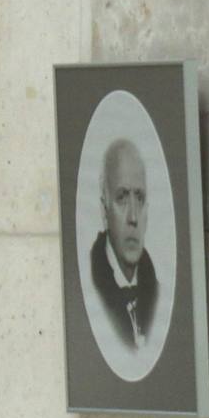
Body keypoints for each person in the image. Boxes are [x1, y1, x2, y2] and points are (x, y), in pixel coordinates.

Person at [89, 139, 159, 351]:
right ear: (104, 211)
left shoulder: (157, 297)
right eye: (122, 197)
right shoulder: (92, 293)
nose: (133, 217)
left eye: (139, 198)